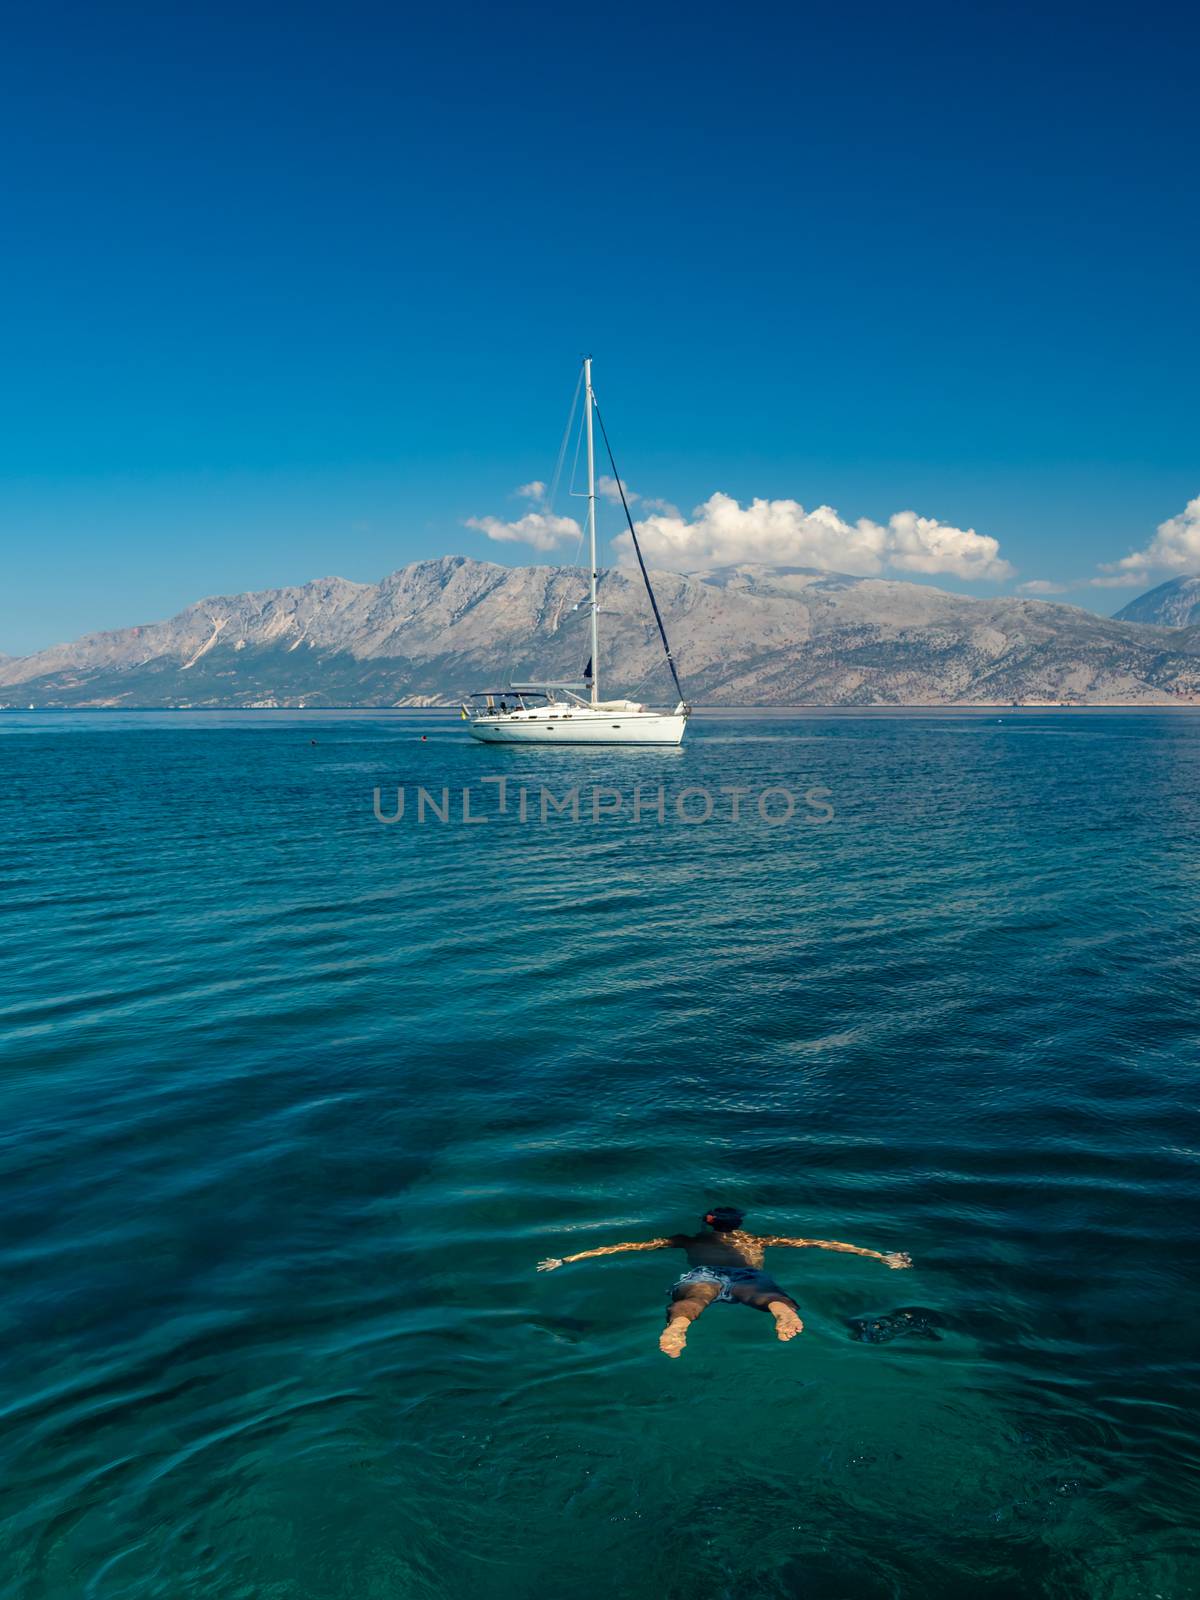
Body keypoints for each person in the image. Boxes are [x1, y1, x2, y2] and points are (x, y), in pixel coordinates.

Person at [537, 1205, 913, 1358]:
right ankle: (782, 1313)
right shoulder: (760, 1241)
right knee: (769, 1296)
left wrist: (567, 1259)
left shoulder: (688, 1240)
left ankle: (679, 1326)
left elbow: (624, 1246)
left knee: (694, 1297)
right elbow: (823, 1243)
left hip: (704, 1275)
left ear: (709, 1224)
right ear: (740, 1227)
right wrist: (880, 1255)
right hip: (750, 1276)